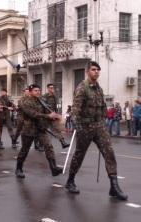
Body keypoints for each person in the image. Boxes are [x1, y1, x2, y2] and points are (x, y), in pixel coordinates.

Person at [65, 61, 128, 201]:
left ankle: (114, 186)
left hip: (99, 127)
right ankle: (70, 181)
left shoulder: (99, 88)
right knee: (79, 155)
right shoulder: (82, 88)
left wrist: (104, 119)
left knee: (109, 153)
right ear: (87, 71)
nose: (97, 72)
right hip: (85, 127)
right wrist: (78, 126)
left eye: (98, 70)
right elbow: (75, 110)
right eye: (94, 70)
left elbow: (102, 107)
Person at [15, 84, 63, 178]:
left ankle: (53, 168)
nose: (38, 92)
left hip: (41, 129)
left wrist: (54, 116)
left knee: (49, 146)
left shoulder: (41, 101)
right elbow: (32, 114)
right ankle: (19, 168)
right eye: (35, 90)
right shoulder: (25, 101)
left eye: (39, 90)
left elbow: (47, 111)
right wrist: (47, 116)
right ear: (30, 91)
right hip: (29, 129)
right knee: (24, 150)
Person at [43, 83, 69, 148]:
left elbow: (56, 107)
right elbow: (43, 107)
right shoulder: (44, 96)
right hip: (46, 116)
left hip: (53, 116)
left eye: (53, 88)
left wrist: (56, 115)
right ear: (48, 88)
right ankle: (40, 145)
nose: (52, 89)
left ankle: (63, 142)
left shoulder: (55, 96)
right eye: (50, 88)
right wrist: (48, 115)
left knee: (56, 130)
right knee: (42, 130)